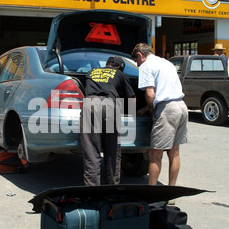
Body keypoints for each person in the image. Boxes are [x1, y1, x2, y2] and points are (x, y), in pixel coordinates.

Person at [131, 43, 188, 186]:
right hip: (181, 107)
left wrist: (149, 107)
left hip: (167, 110)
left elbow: (150, 95)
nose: (137, 65)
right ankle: (171, 192)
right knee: (174, 152)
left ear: (140, 55)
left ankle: (152, 193)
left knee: (155, 154)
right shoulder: (166, 63)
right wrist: (146, 109)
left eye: (136, 62)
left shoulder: (146, 66)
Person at [80, 56, 135, 186]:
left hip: (90, 104)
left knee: (91, 151)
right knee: (112, 150)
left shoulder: (91, 72)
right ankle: (112, 188)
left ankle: (92, 191)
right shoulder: (120, 74)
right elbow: (131, 97)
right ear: (120, 67)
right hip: (110, 105)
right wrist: (133, 115)